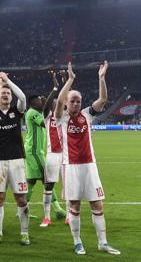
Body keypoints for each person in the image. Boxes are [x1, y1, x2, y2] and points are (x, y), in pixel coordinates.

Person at [55, 61, 120, 255]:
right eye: (72, 100)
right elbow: (58, 102)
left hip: (90, 166)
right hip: (71, 167)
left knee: (97, 204)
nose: (75, 103)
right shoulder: (61, 118)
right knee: (74, 205)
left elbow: (103, 99)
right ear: (67, 102)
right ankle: (77, 242)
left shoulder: (87, 115)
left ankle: (103, 242)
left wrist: (101, 78)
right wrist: (70, 80)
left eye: (78, 101)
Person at [0, 71, 31, 245]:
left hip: (17, 160)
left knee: (21, 198)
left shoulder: (17, 111)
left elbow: (23, 97)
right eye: (2, 93)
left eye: (7, 93)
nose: (5, 95)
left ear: (11, 97)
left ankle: (24, 233)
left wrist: (8, 81)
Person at [40, 71, 67, 225]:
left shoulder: (66, 117)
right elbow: (47, 104)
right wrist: (55, 88)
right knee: (48, 185)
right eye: (54, 103)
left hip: (66, 155)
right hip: (52, 155)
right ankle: (47, 217)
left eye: (59, 103)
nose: (57, 104)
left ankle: (70, 216)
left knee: (68, 186)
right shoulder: (47, 117)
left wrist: (65, 83)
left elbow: (67, 98)